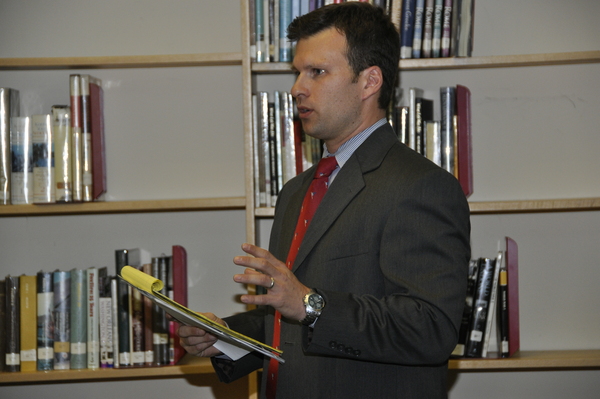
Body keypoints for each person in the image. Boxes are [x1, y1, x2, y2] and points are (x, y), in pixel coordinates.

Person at [178, 2, 471, 398]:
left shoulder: (422, 186)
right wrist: (224, 336)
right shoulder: (297, 191)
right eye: (297, 72)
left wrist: (311, 304)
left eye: (317, 72)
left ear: (369, 82)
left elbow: (431, 329)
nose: (297, 88)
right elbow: (287, 322)